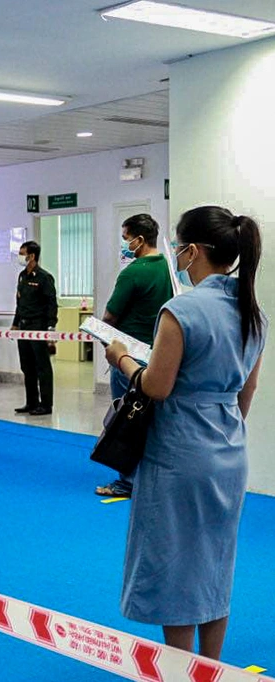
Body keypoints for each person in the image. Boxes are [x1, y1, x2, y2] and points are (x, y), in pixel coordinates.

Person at [104, 206, 265, 660]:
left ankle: (180, 669)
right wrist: (222, 429)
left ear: (191, 251)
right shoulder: (252, 309)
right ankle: (211, 667)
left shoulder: (181, 310)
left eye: (179, 245)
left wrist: (120, 357)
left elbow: (157, 385)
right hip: (229, 450)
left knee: (175, 566)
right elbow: (246, 391)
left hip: (179, 453)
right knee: (215, 564)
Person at [95, 214, 174, 499]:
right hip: (159, 355)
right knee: (152, 421)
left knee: (126, 420)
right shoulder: (169, 268)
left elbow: (110, 316)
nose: (124, 243)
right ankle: (149, 476)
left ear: (139, 240)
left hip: (128, 357)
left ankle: (126, 481)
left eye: (126, 237)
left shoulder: (133, 272)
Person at [12, 241, 57, 417]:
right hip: (23, 325)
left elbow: (51, 304)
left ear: (31, 256)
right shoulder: (22, 276)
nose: (20, 256)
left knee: (42, 366)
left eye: (22, 253)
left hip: (38, 326)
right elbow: (20, 301)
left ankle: (46, 404)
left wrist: (51, 327)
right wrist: (15, 323)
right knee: (27, 365)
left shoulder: (44, 278)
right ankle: (32, 402)